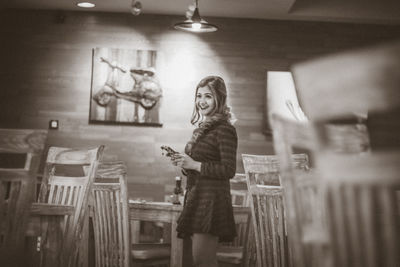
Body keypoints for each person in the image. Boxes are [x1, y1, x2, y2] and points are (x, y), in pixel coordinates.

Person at [169, 76, 238, 267]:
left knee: (203, 261)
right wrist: (185, 164)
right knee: (200, 262)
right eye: (199, 96)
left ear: (220, 98)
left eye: (208, 96)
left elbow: (229, 169)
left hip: (212, 202)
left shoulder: (224, 129)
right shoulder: (203, 130)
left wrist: (195, 165)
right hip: (198, 198)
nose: (201, 101)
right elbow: (199, 165)